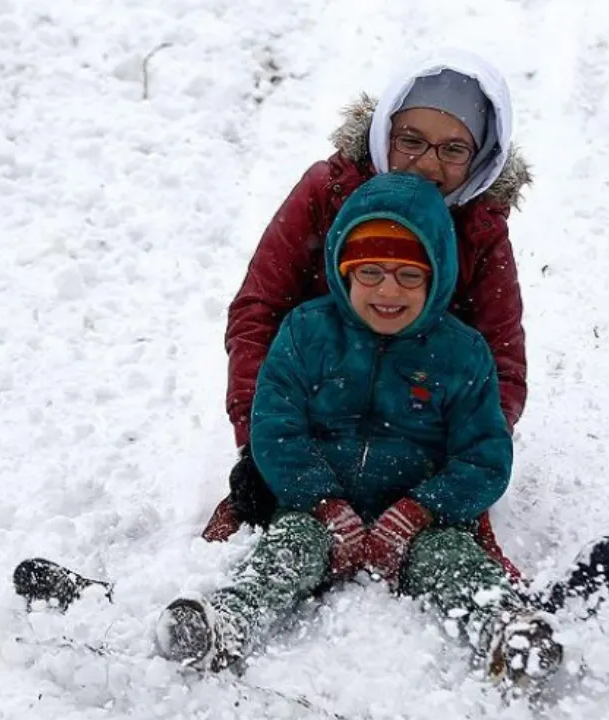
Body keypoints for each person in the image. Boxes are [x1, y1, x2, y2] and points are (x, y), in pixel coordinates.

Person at [156, 173, 562, 688]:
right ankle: (225, 624)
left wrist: (420, 511)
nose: (388, 290)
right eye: (370, 271)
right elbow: (276, 430)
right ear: (343, 270)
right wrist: (323, 502)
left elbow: (484, 457)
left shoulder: (462, 354)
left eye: (409, 275)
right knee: (289, 546)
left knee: (453, 560)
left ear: (437, 276)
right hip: (317, 511)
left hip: (421, 520)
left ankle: (507, 629)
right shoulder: (306, 333)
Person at [201, 48, 532, 584]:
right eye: (411, 141)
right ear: (384, 132)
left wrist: (455, 466)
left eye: (453, 149)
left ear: (481, 158)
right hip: (320, 403)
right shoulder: (329, 192)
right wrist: (258, 437)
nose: (428, 164)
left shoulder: (480, 226)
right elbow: (258, 311)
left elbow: (502, 361)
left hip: (420, 420)